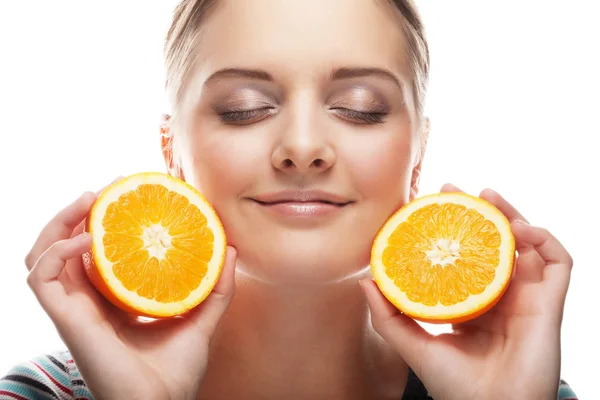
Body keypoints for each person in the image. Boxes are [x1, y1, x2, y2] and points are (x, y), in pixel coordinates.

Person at [0, 0, 580, 399]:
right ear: (171, 149)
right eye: (244, 108)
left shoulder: (522, 388)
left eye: (359, 107)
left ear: (419, 153)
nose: (302, 147)